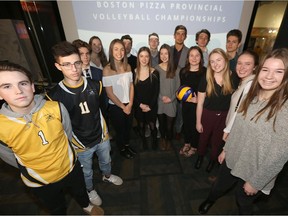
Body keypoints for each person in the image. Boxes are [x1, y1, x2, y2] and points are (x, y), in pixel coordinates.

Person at [0, 61, 103, 215]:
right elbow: (8, 156)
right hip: (40, 180)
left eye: (23, 83)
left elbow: (67, 134)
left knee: (80, 192)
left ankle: (86, 206)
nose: (18, 91)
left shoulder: (56, 107)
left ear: (33, 86)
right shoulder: (2, 127)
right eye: (7, 86)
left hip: (70, 167)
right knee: (56, 207)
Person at [198, 48, 288, 215]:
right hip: (234, 154)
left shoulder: (284, 108)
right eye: (266, 70)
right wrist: (226, 149)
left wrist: (256, 182)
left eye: (279, 71)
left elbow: (280, 155)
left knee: (242, 200)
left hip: (255, 167)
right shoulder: (254, 95)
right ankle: (210, 200)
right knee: (219, 185)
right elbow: (238, 126)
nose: (269, 76)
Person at [47, 41, 123, 208]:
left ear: (82, 62)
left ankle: (107, 176)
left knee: (106, 161)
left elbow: (101, 111)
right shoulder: (54, 96)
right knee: (86, 172)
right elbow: (59, 127)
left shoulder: (96, 85)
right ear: (58, 66)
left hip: (101, 136)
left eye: (77, 63)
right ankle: (89, 189)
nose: (74, 69)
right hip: (80, 144)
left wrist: (105, 133)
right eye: (66, 65)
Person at [195, 48, 234, 173]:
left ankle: (212, 160)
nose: (215, 64)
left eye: (218, 60)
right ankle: (200, 157)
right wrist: (198, 122)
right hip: (207, 115)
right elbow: (200, 103)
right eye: (212, 61)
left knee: (217, 142)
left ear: (225, 60)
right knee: (203, 139)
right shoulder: (205, 79)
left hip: (224, 117)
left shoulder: (234, 78)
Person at [102, 39, 136, 159]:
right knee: (120, 130)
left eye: (122, 49)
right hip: (116, 106)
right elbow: (110, 94)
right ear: (111, 51)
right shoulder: (107, 69)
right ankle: (122, 149)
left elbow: (131, 86)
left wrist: (130, 104)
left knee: (128, 128)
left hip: (129, 104)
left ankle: (127, 145)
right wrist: (123, 107)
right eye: (116, 49)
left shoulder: (128, 66)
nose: (119, 52)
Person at [223, 50, 259, 142]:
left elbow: (239, 111)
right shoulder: (244, 82)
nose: (242, 67)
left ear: (255, 67)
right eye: (239, 63)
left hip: (235, 133)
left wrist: (228, 130)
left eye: (247, 64)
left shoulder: (250, 85)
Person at [179, 46, 206, 157]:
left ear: (201, 57)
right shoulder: (183, 71)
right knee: (186, 124)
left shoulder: (205, 72)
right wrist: (180, 96)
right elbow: (182, 88)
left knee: (196, 125)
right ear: (188, 57)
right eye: (191, 55)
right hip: (186, 104)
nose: (194, 58)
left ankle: (194, 146)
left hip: (199, 105)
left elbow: (209, 91)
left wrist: (198, 100)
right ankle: (187, 143)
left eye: (197, 55)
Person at [72, 39, 109, 119]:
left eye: (87, 53)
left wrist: (104, 108)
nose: (85, 57)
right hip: (84, 117)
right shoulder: (73, 76)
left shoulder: (99, 72)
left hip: (101, 113)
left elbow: (104, 93)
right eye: (81, 54)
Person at [134, 46, 159, 150]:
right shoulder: (133, 72)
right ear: (138, 58)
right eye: (141, 56)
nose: (144, 59)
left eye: (147, 56)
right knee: (141, 126)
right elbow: (133, 93)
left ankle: (154, 141)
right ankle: (143, 141)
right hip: (138, 106)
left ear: (149, 58)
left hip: (151, 106)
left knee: (152, 125)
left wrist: (150, 106)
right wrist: (140, 105)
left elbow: (156, 92)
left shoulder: (154, 72)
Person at [155, 43, 180, 151]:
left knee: (170, 126)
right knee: (161, 124)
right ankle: (162, 139)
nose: (164, 56)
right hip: (160, 101)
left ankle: (168, 140)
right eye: (161, 53)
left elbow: (179, 87)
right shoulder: (156, 69)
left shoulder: (176, 68)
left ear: (170, 55)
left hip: (172, 102)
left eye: (166, 54)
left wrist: (171, 98)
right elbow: (155, 87)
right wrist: (161, 98)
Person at [170, 25, 189, 140]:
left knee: (180, 111)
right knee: (169, 109)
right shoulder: (168, 50)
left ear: (185, 36)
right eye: (178, 33)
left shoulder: (189, 52)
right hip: (169, 85)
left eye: (183, 34)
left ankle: (178, 130)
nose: (180, 36)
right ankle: (168, 130)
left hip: (182, 86)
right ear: (174, 35)